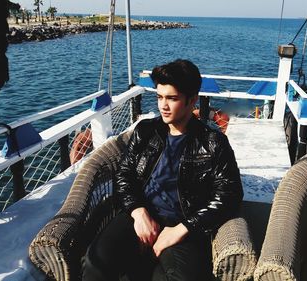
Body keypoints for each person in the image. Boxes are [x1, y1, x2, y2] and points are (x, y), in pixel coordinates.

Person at [82, 59, 243, 281]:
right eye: (159, 97)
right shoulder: (146, 131)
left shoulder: (213, 142)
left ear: (192, 100)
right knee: (95, 262)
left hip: (184, 227)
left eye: (172, 98)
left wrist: (182, 229)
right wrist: (138, 213)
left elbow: (230, 193)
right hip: (141, 216)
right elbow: (124, 173)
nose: (163, 106)